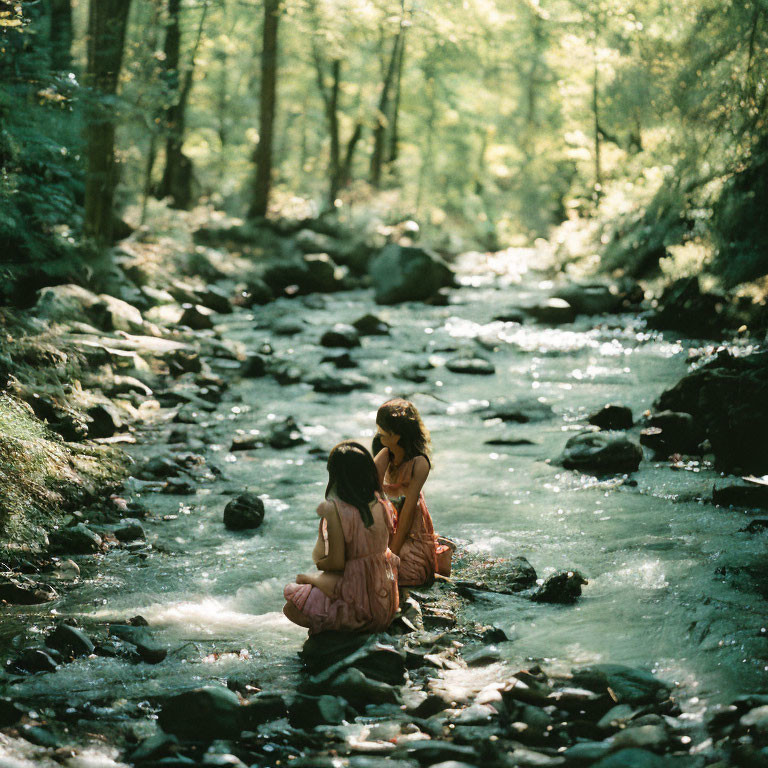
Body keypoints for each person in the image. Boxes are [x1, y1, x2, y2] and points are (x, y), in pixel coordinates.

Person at [283, 441, 400, 634]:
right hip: (384, 604)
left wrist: (317, 571)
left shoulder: (338, 511)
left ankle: (336, 630)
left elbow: (336, 563)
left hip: (358, 606)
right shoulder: (382, 504)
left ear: (335, 476)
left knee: (291, 606)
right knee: (318, 584)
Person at [373, 398, 452, 586]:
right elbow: (368, 492)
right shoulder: (385, 454)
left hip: (411, 536)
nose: (378, 437)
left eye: (382, 433)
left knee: (398, 577)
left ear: (397, 436)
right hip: (388, 531)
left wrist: (391, 555)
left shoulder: (419, 463)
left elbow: (407, 513)